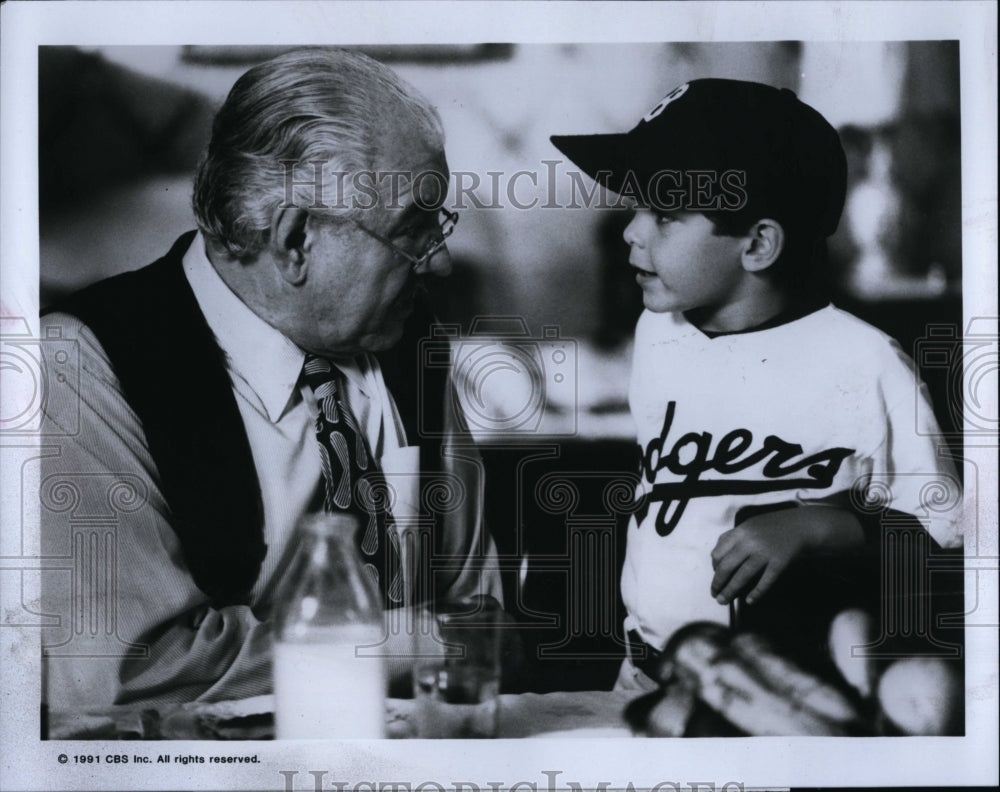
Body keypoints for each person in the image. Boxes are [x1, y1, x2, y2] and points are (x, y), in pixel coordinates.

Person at [40, 48, 501, 708]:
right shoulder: (79, 371)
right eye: (413, 231)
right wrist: (409, 646)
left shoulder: (405, 338)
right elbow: (131, 671)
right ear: (293, 240)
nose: (443, 262)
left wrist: (445, 642)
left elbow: (476, 615)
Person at [550, 78, 963, 691]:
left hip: (790, 689)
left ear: (759, 243)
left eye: (663, 214)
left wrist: (822, 525)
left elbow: (949, 543)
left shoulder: (865, 363)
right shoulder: (658, 331)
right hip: (645, 669)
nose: (631, 232)